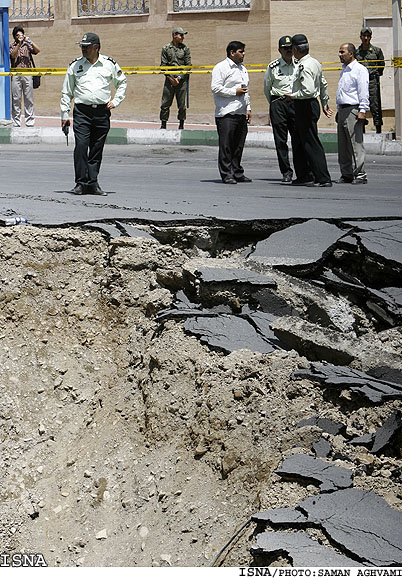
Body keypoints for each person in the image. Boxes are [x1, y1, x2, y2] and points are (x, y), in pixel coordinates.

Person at [60, 33, 127, 196]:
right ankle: (80, 183)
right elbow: (67, 91)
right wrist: (64, 114)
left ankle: (93, 182)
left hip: (101, 113)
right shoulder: (75, 65)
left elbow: (122, 82)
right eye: (82, 46)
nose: (83, 49)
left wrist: (116, 101)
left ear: (96, 48)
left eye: (86, 46)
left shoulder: (109, 64)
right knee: (81, 146)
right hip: (82, 112)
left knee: (97, 148)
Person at [285, 34, 333, 187]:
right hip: (310, 104)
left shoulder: (304, 66)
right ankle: (305, 175)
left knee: (310, 142)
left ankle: (323, 177)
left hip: (304, 104)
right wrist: (324, 102)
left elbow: (308, 91)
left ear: (295, 49)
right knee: (300, 141)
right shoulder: (315, 63)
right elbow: (323, 84)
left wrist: (292, 96)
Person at [211, 41, 252, 185]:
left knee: (238, 145)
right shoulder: (221, 67)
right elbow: (215, 88)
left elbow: (245, 90)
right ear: (232, 52)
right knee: (226, 146)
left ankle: (237, 172)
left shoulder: (242, 69)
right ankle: (226, 174)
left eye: (244, 51)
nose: (243, 54)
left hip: (240, 112)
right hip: (226, 113)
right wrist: (234, 92)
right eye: (241, 51)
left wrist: (248, 108)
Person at [264, 35, 298, 184]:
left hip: (296, 103)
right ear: (279, 50)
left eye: (290, 48)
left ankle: (302, 171)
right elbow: (267, 88)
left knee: (298, 139)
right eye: (285, 48)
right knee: (281, 141)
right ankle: (286, 172)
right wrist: (275, 104)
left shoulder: (299, 65)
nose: (288, 51)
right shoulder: (273, 67)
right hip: (278, 103)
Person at [336, 43, 369, 185]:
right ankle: (346, 174)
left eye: (342, 52)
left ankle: (360, 174)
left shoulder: (359, 70)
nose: (339, 54)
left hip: (353, 110)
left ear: (351, 54)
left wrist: (363, 110)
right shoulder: (344, 70)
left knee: (356, 144)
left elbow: (363, 91)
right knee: (343, 145)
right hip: (343, 110)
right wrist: (339, 110)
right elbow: (342, 92)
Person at [160, 27, 191, 130]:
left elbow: (188, 65)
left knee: (181, 104)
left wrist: (178, 78)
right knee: (165, 103)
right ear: (174, 35)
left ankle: (181, 124)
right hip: (169, 79)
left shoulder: (185, 49)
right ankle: (163, 124)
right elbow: (163, 65)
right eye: (181, 35)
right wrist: (170, 78)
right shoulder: (166, 48)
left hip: (181, 80)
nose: (183, 37)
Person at [355, 27, 385, 134]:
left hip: (372, 81)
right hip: (360, 83)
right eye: (364, 36)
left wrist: (375, 75)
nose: (366, 38)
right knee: (360, 105)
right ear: (361, 37)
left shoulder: (377, 51)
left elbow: (381, 65)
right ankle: (361, 131)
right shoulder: (356, 52)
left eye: (368, 36)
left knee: (375, 105)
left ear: (371, 37)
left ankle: (378, 130)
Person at [9, 26, 40, 128]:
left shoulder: (27, 45)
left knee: (29, 98)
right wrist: (18, 44)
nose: (20, 37)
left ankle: (30, 122)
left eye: (21, 34)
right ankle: (16, 122)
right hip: (16, 74)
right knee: (16, 98)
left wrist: (29, 40)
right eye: (17, 35)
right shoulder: (12, 45)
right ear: (14, 36)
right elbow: (13, 56)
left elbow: (37, 50)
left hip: (27, 73)